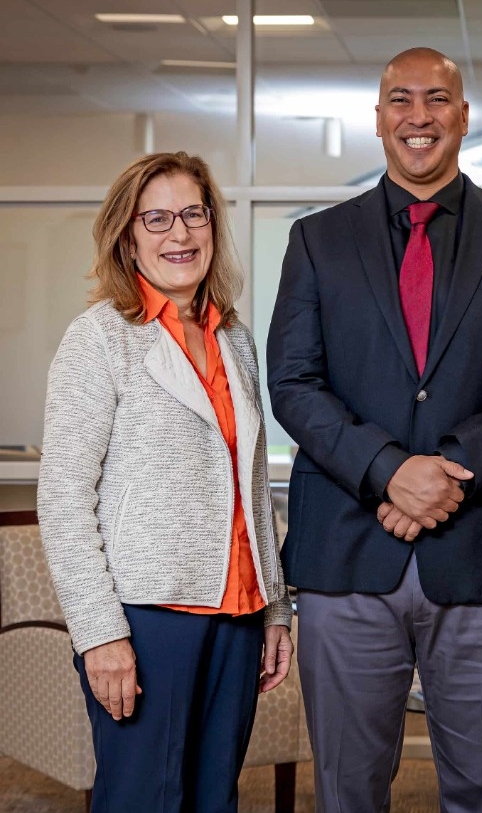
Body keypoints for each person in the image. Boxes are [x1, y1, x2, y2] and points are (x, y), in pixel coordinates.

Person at [267, 47, 482, 812]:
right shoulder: (317, 239)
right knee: (347, 788)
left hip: (480, 551)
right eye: (400, 100)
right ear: (377, 120)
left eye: (436, 99)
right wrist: (386, 469)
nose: (418, 116)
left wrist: (442, 469)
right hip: (346, 551)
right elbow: (292, 382)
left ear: (463, 116)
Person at [37, 151, 292, 813]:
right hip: (147, 620)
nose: (179, 234)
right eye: (157, 219)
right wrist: (99, 633)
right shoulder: (100, 338)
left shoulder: (233, 337)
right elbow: (64, 496)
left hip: (235, 615)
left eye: (192, 214)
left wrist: (273, 606)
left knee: (215, 799)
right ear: (127, 235)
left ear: (212, 225)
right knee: (143, 800)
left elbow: (250, 487)